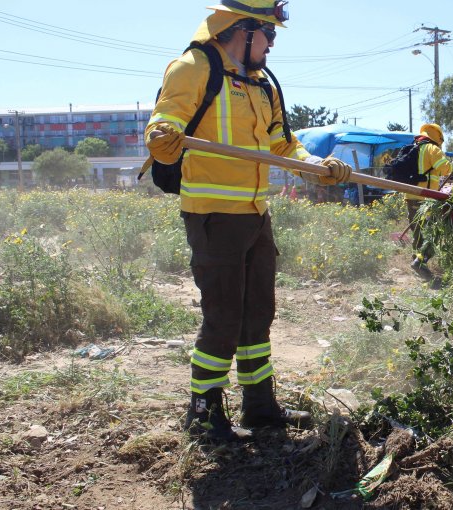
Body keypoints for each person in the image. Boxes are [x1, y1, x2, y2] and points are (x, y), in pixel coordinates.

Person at [145, 0, 352, 442]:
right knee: (223, 317)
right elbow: (164, 123)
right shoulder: (193, 67)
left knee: (257, 315)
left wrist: (320, 165)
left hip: (257, 216)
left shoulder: (262, 85)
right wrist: (162, 137)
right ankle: (204, 411)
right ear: (244, 29)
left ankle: (259, 406)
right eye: (270, 35)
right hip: (214, 217)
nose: (273, 46)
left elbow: (283, 145)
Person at [405, 123, 453, 281]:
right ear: (438, 137)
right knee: (435, 232)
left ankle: (416, 261)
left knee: (418, 232)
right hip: (425, 199)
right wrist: (452, 164)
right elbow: (445, 169)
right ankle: (420, 261)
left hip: (410, 196)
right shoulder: (432, 149)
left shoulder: (413, 148)